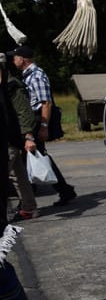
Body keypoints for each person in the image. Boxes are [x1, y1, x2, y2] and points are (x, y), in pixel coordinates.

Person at [1, 55, 49, 300]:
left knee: (18, 176)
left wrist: (32, 132)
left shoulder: (14, 81)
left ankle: (30, 204)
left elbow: (32, 105)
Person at [7, 45, 76, 206]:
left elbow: (46, 103)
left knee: (32, 157)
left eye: (15, 57)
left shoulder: (36, 76)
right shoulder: (28, 75)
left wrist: (44, 126)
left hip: (37, 121)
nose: (13, 60)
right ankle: (64, 190)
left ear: (22, 59)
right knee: (36, 156)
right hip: (34, 121)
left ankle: (32, 198)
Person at [1, 52, 39, 221]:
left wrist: (28, 137)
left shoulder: (12, 86)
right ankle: (29, 207)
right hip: (10, 138)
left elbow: (24, 112)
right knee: (19, 175)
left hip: (12, 138)